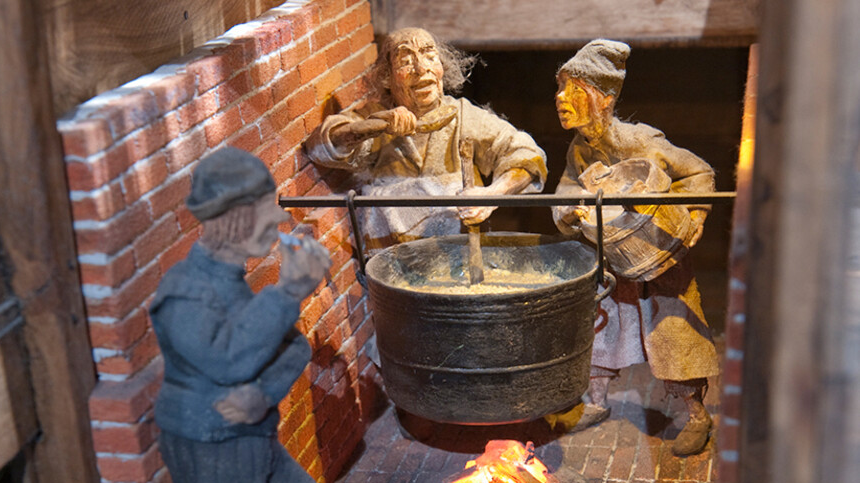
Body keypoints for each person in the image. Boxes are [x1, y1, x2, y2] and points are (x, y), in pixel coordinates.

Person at [551, 39, 720, 456]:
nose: (560, 98)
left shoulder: (641, 141)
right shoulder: (580, 149)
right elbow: (565, 193)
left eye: (573, 89)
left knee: (672, 333)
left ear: (604, 99)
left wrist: (695, 215)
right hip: (614, 261)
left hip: (660, 258)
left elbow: (697, 171)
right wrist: (570, 211)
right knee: (602, 324)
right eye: (560, 88)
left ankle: (697, 415)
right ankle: (594, 402)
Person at [149, 147, 336, 483]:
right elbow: (229, 362)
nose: (276, 222)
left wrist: (263, 393)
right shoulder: (185, 291)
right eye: (263, 211)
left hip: (251, 435)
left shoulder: (230, 283)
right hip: (211, 445)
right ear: (230, 219)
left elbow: (293, 345)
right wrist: (287, 292)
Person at [306, 27, 548, 252]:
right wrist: (378, 125)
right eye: (406, 61)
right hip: (391, 261)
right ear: (387, 77)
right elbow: (322, 146)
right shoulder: (374, 117)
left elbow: (527, 155)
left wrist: (493, 195)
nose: (422, 69)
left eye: (430, 57)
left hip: (458, 256)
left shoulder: (464, 117)